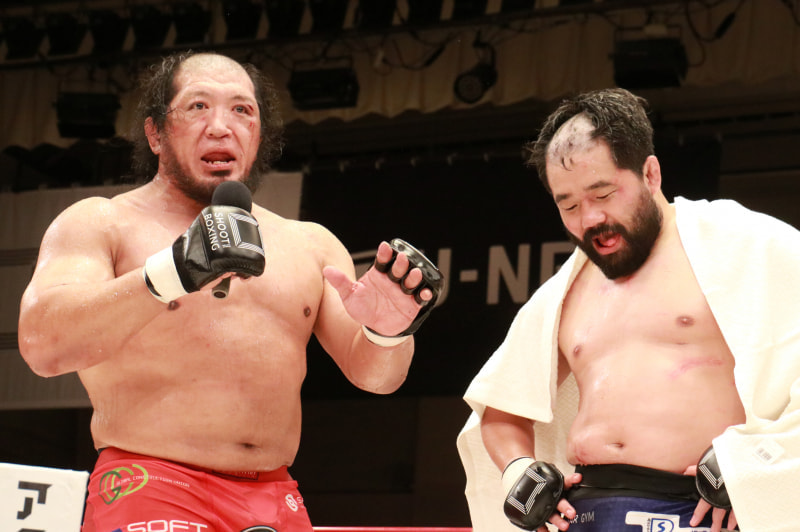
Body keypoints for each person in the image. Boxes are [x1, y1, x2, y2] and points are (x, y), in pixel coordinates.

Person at [17, 51, 442, 532]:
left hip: (275, 495)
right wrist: (171, 272)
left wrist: (387, 332)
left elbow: (378, 378)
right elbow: (41, 345)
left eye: (242, 110)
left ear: (257, 136)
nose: (221, 127)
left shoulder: (311, 244)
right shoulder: (102, 221)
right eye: (198, 106)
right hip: (152, 481)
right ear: (156, 133)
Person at [456, 87, 800, 532]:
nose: (589, 219)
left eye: (603, 194)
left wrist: (757, 461)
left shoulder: (745, 245)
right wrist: (519, 469)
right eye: (569, 205)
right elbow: (501, 410)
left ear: (650, 174)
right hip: (584, 513)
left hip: (699, 512)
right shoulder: (565, 291)